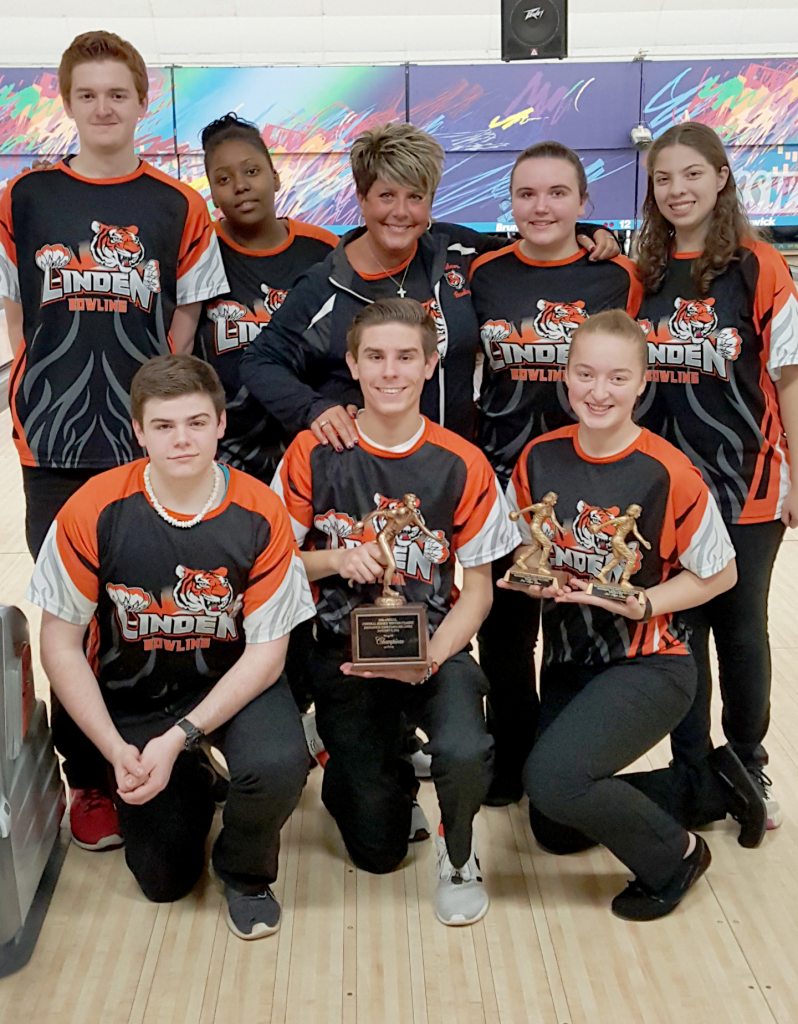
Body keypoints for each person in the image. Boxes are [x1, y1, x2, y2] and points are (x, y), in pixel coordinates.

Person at [0, 31, 228, 851]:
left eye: (117, 94)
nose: (104, 107)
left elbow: (185, 325)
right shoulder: (24, 197)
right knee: (72, 614)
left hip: (146, 443)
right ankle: (89, 782)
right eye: (88, 94)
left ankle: (172, 753)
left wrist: (160, 414)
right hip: (55, 441)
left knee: (151, 607)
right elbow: (20, 314)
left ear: (142, 102)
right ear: (68, 102)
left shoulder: (178, 206)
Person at [27, 354, 315, 940]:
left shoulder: (262, 511)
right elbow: (57, 642)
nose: (181, 440)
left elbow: (267, 655)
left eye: (196, 423)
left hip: (234, 688)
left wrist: (183, 733)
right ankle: (186, 776)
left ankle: (245, 870)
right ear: (138, 431)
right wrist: (114, 749)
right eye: (163, 426)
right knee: (163, 881)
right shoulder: (92, 509)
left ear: (220, 424)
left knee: (279, 764)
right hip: (135, 697)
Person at [503, 309, 760, 921]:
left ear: (643, 383)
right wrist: (539, 577)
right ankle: (708, 786)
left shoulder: (667, 470)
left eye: (617, 378)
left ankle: (679, 855)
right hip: (571, 660)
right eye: (585, 374)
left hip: (650, 666)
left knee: (555, 781)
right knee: (555, 823)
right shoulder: (538, 459)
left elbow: (720, 574)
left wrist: (642, 601)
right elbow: (527, 546)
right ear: (564, 376)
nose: (599, 391)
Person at [271, 298, 519, 926]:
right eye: (375, 357)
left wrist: (430, 659)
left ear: (431, 365)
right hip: (343, 654)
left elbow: (481, 588)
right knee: (377, 852)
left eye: (406, 357)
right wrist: (335, 561)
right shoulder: (311, 450)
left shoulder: (461, 462)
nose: (390, 372)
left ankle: (459, 856)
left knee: (464, 750)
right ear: (352, 365)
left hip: (435, 646)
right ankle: (357, 771)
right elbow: (274, 562)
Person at [241, 121, 619, 451]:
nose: (401, 212)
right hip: (366, 470)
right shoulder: (325, 285)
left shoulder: (454, 248)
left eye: (415, 198)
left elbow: (527, 247)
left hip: (456, 469)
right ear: (361, 199)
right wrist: (314, 409)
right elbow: (260, 362)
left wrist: (584, 230)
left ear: (430, 203)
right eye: (386, 195)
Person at [635, 122, 798, 830]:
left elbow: (789, 378)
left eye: (692, 175)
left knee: (741, 629)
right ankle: (693, 763)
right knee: (680, 631)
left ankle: (749, 757)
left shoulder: (761, 267)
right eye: (664, 179)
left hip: (747, 483)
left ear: (722, 177)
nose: (678, 190)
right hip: (667, 490)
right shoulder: (640, 274)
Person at [469, 142, 643, 805]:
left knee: (574, 634)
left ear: (583, 202)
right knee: (507, 637)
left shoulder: (618, 279)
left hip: (591, 489)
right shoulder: (484, 273)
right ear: (509, 202)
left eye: (557, 193)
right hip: (506, 484)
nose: (541, 207)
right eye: (526, 194)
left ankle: (565, 766)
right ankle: (509, 760)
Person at [195, 112, 339, 481]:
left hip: (314, 443)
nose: (239, 186)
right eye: (223, 179)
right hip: (225, 453)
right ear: (211, 192)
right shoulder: (200, 252)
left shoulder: (324, 250)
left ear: (275, 177)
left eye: (252, 171)